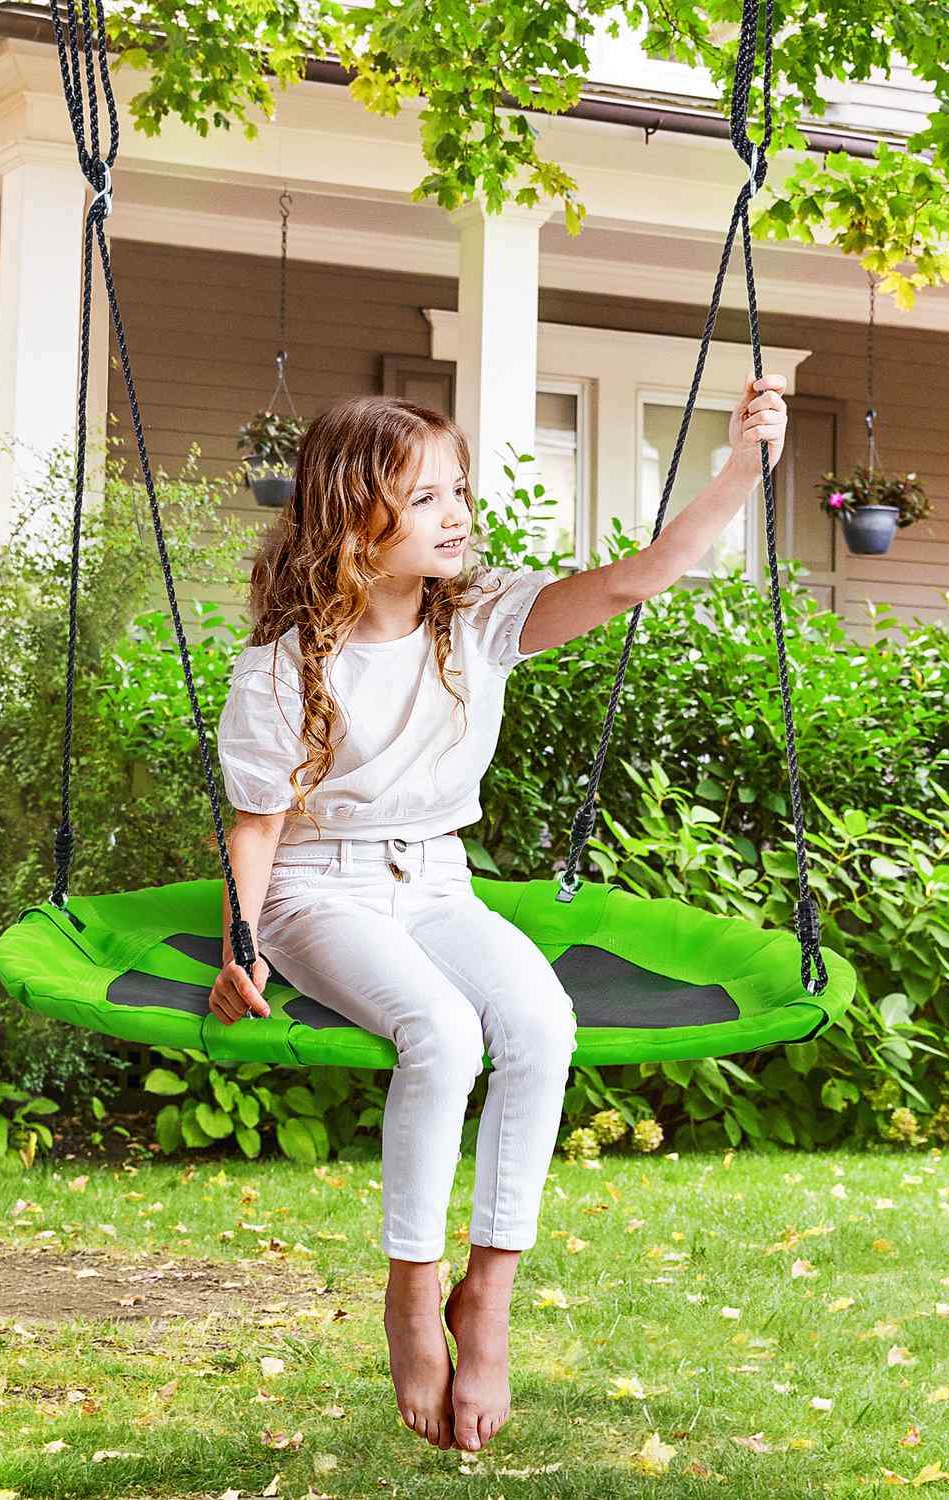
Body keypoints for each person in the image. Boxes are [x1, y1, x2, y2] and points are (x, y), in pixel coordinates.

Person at [207, 379, 787, 1453]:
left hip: (436, 881)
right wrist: (242, 945)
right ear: (351, 517)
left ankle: (489, 1297)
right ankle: (409, 1292)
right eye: (425, 498)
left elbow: (638, 581)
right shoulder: (285, 666)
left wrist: (742, 470)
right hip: (317, 887)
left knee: (541, 1024)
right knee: (442, 1031)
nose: (456, 514)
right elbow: (255, 828)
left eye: (458, 490)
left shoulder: (476, 621)